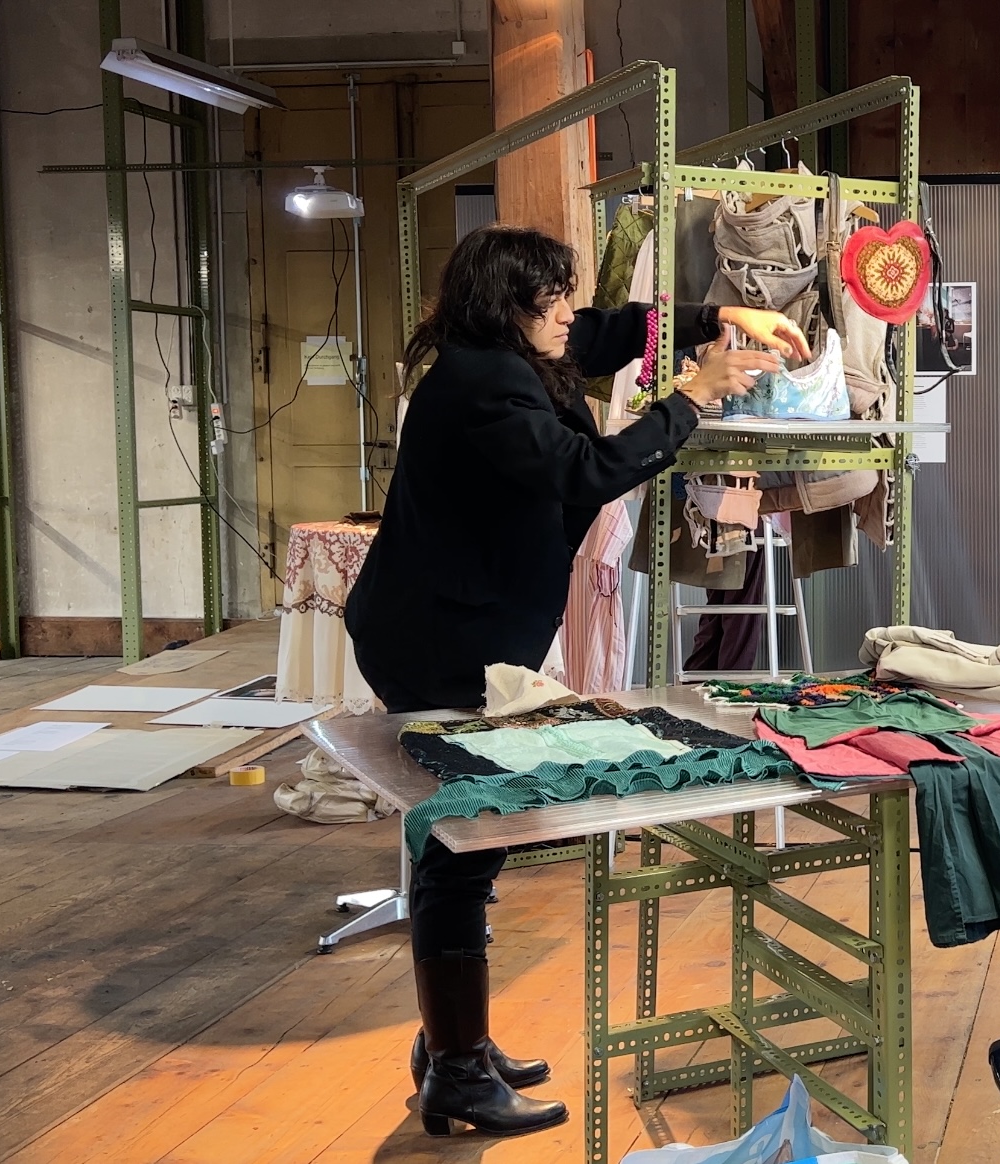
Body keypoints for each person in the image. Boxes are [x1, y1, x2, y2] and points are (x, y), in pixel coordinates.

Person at [344, 225, 808, 1138]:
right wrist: (689, 398)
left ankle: (451, 1041)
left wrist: (721, 314)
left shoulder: (512, 354)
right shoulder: (482, 388)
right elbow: (590, 475)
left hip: (456, 626)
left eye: (561, 294)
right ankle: (458, 1073)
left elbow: (610, 329)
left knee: (469, 844)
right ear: (501, 306)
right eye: (547, 299)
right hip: (439, 639)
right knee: (465, 846)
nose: (565, 313)